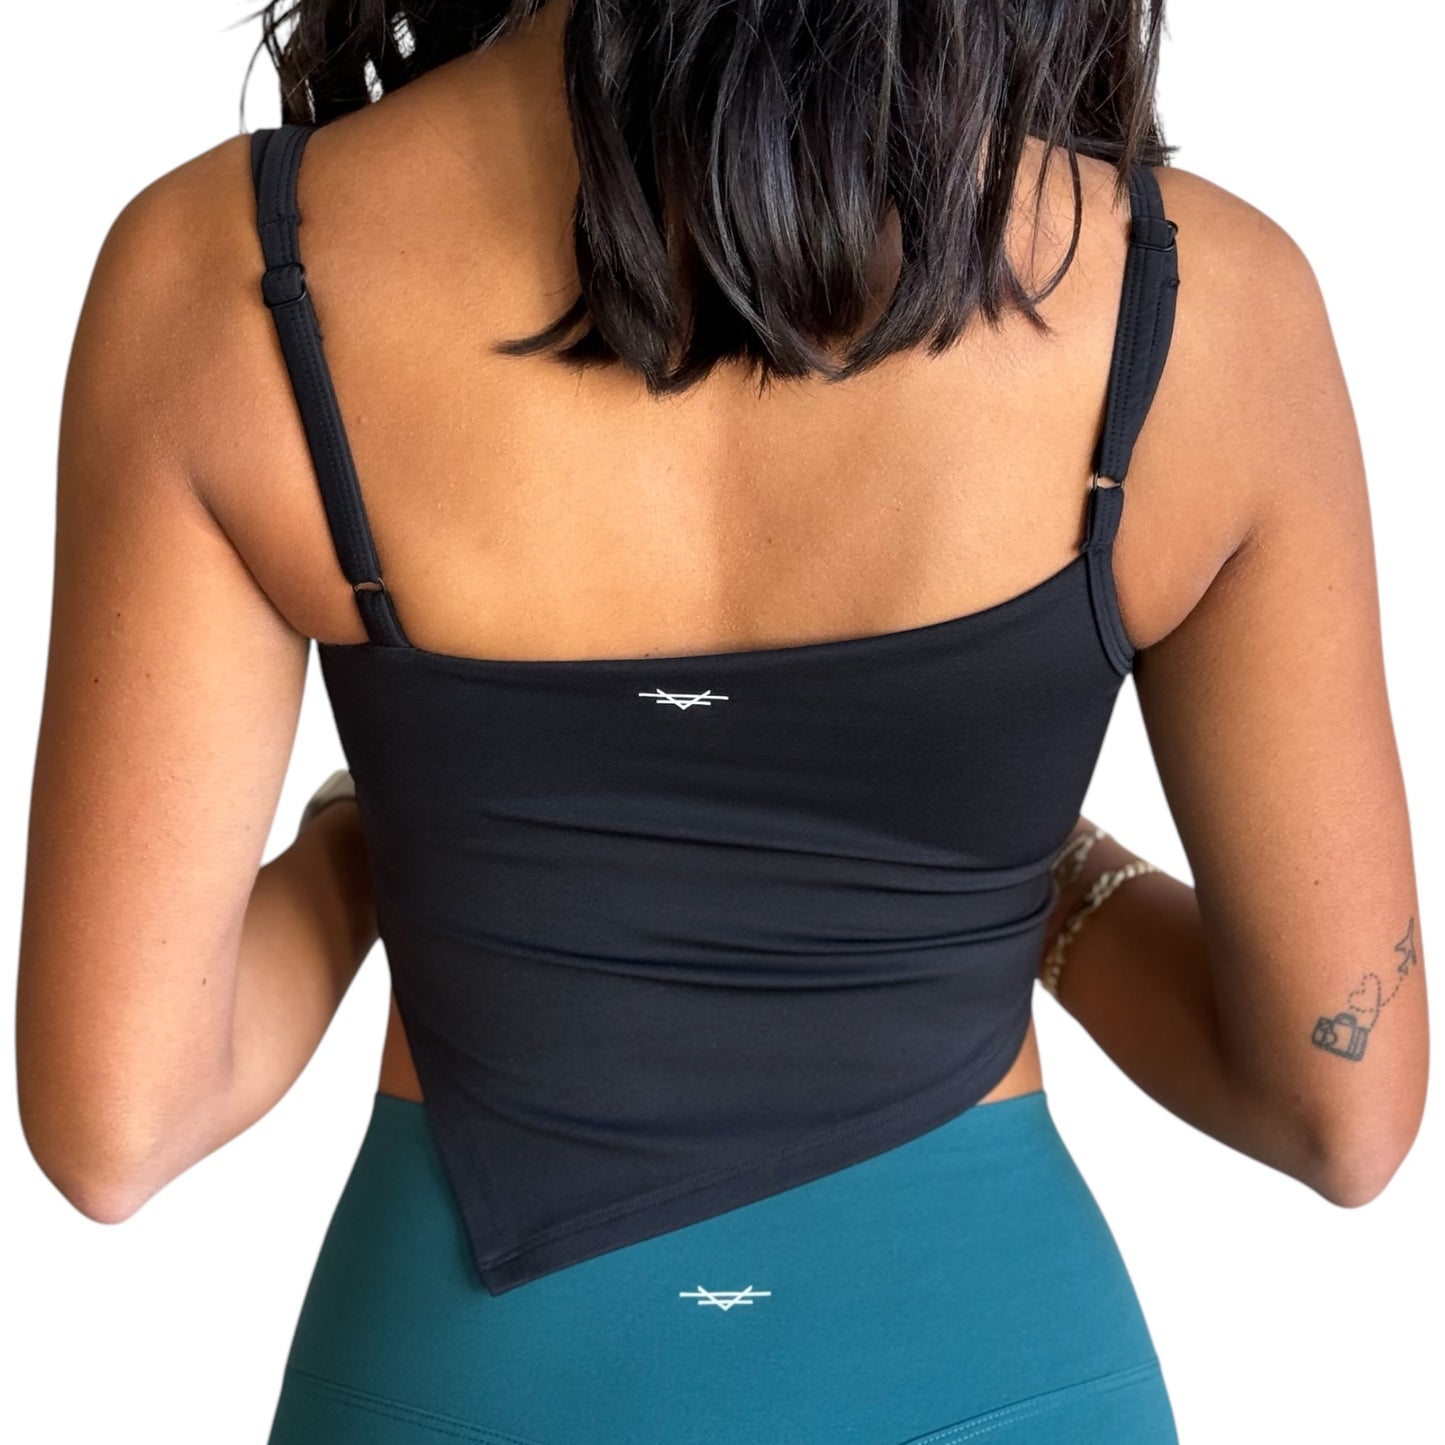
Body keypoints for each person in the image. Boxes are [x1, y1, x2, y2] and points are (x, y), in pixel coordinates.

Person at [15, 1, 1427, 1441]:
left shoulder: (233, 269)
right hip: (998, 1375)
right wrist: (1045, 877)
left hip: (460, 1382)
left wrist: (366, 845)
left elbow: (121, 1125)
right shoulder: (1193, 300)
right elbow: (1341, 1107)